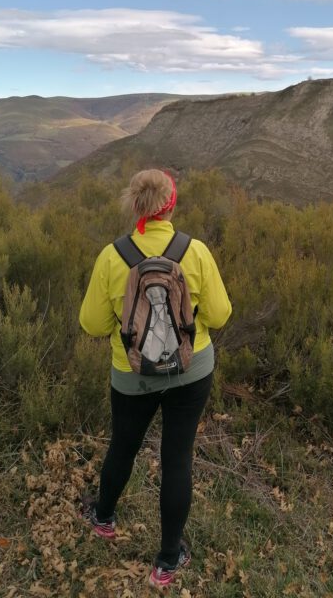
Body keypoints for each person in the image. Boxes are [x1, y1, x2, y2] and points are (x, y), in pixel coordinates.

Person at [79, 168, 232, 588]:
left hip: (132, 376)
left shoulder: (113, 257)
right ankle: (167, 561)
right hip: (191, 370)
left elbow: (91, 324)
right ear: (171, 204)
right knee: (177, 459)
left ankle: (104, 517)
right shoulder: (195, 251)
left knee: (123, 447)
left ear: (135, 206)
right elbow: (220, 315)